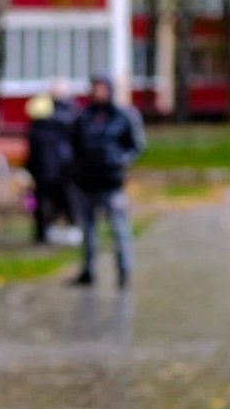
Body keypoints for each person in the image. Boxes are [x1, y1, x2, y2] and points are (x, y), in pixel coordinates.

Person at [70, 76, 145, 289]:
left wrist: (118, 160)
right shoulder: (84, 116)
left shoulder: (123, 116)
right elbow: (73, 144)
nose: (99, 92)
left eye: (103, 88)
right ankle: (88, 270)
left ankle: (124, 271)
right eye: (96, 88)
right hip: (86, 182)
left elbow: (136, 146)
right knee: (88, 230)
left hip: (111, 183)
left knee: (119, 229)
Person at [25, 80, 80, 245]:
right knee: (43, 201)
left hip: (63, 166)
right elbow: (33, 142)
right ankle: (43, 232)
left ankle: (69, 229)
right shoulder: (42, 114)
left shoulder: (69, 113)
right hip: (44, 165)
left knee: (66, 200)